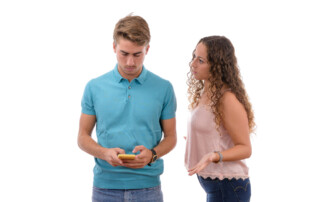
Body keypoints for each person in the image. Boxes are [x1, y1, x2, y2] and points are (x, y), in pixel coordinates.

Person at [78, 14, 177, 202]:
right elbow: (82, 137)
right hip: (105, 188)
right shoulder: (94, 87)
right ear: (114, 47)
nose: (130, 62)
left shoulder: (164, 88)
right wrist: (104, 153)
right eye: (124, 53)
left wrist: (152, 155)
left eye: (137, 54)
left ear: (147, 49)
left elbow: (171, 137)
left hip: (149, 188)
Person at [184, 36, 255, 202]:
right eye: (194, 56)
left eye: (200, 60)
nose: (193, 64)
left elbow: (245, 148)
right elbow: (216, 133)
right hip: (217, 186)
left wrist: (213, 156)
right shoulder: (205, 93)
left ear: (217, 67)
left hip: (229, 186)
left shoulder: (227, 99)